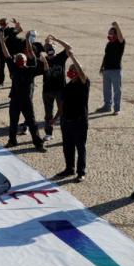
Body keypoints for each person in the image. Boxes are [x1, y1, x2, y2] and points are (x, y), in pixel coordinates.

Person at [0, 32, 47, 152]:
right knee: (13, 122)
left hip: (26, 100)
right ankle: (12, 141)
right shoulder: (14, 67)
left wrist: (27, 40)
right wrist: (1, 41)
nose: (20, 60)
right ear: (16, 60)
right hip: (15, 99)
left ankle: (38, 143)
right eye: (18, 58)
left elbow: (31, 54)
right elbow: (6, 54)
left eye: (22, 58)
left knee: (32, 122)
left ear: (26, 60)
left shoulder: (31, 70)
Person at [53, 51, 90, 181]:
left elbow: (81, 73)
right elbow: (62, 105)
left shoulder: (84, 84)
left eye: (74, 69)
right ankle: (69, 169)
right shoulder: (66, 87)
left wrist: (73, 57)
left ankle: (81, 172)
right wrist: (56, 118)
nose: (72, 71)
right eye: (70, 69)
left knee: (80, 147)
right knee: (67, 147)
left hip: (79, 121)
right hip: (66, 121)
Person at [41, 36, 71, 141]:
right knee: (48, 113)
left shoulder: (60, 57)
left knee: (63, 112)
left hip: (60, 90)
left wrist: (57, 39)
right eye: (47, 46)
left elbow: (69, 47)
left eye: (51, 45)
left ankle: (66, 134)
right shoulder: (42, 59)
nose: (49, 47)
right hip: (47, 90)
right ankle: (49, 133)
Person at [97, 21, 126, 115]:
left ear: (116, 34)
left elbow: (121, 37)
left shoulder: (120, 43)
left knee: (117, 90)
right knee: (106, 89)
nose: (109, 34)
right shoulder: (109, 44)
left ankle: (117, 108)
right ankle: (107, 106)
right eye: (108, 32)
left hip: (116, 70)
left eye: (111, 32)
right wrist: (102, 66)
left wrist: (117, 26)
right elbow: (106, 56)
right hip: (107, 69)